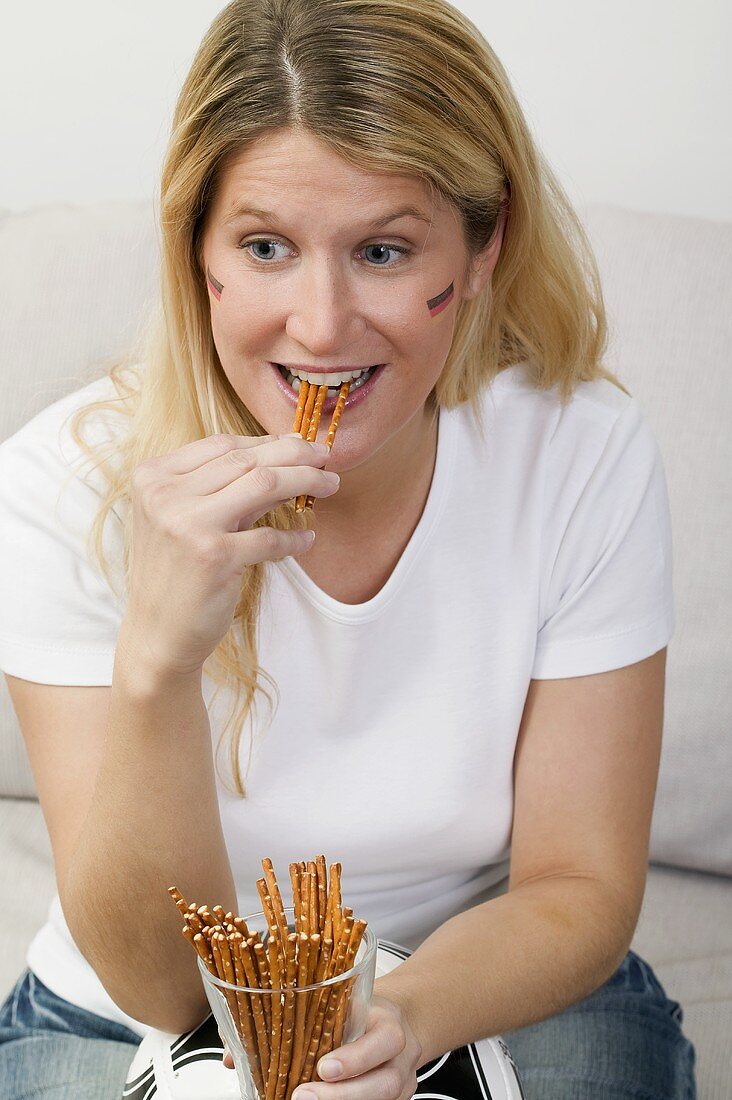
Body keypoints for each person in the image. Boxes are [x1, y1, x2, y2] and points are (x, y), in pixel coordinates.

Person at [0, 0, 697, 1097]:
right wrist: (157, 663)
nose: (321, 327)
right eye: (266, 246)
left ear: (483, 247)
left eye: (382, 249)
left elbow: (577, 882)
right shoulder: (57, 484)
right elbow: (160, 986)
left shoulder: (579, 451)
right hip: (120, 1010)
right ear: (197, 251)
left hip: (480, 972)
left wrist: (399, 1019)